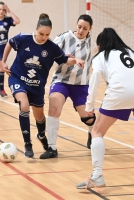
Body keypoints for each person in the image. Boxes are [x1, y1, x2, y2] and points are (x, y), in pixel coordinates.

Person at [76, 28, 134, 189]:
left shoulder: (101, 56)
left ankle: (97, 175)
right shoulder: (132, 53)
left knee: (97, 131)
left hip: (119, 92)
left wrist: (89, 105)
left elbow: (96, 76)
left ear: (101, 44)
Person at [1, 13, 85, 158]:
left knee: (39, 117)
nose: (44, 37)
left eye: (47, 34)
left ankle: (41, 135)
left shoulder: (51, 47)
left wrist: (76, 60)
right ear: (36, 29)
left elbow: (65, 59)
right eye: (41, 33)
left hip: (37, 86)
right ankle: (28, 144)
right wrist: (3, 61)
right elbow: (10, 42)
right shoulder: (23, 38)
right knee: (24, 105)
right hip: (17, 78)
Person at [39, 14, 95, 159]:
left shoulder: (90, 40)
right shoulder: (64, 37)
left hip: (81, 83)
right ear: (76, 25)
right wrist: (63, 55)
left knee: (88, 117)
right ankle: (51, 147)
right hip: (61, 80)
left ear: (90, 29)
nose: (81, 30)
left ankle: (92, 133)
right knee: (54, 107)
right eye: (79, 27)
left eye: (85, 28)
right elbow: (49, 51)